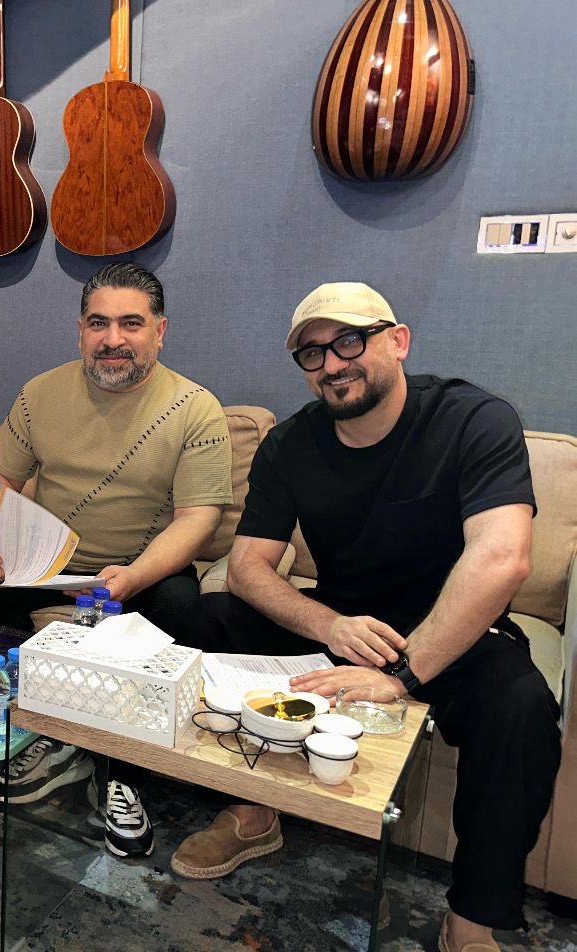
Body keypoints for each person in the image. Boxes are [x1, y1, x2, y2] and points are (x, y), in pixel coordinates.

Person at [173, 282, 561, 952]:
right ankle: (252, 810)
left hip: (455, 635)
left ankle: (471, 918)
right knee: (202, 619)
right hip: (347, 627)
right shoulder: (291, 444)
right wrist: (328, 626)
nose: (332, 363)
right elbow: (248, 568)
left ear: (398, 341)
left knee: (521, 708)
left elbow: (502, 559)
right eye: (312, 352)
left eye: (350, 341)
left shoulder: (474, 419)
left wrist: (403, 674)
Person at [0, 262, 232, 858]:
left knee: (185, 610)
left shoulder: (195, 408)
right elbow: (0, 477)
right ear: (80, 331)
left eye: (131, 323)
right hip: (48, 566)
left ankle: (121, 770)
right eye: (98, 323)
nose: (113, 338)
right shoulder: (41, 393)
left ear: (160, 331)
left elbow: (197, 520)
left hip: (142, 572)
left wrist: (132, 578)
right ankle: (36, 731)